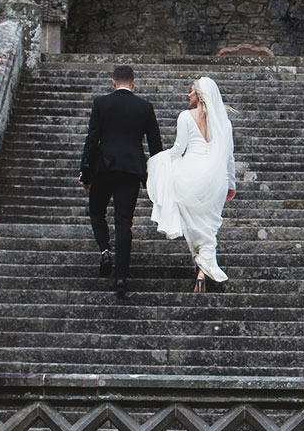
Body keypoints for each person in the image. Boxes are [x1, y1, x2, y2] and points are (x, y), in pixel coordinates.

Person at [147, 74, 237, 291]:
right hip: (216, 179)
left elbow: (178, 149)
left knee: (194, 224)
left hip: (191, 174)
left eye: (191, 90)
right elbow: (229, 156)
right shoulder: (224, 122)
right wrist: (231, 183)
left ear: (199, 94)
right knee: (208, 227)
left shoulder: (186, 116)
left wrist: (157, 161)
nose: (188, 94)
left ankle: (202, 268)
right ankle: (202, 270)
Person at [79, 63, 163, 298]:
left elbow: (92, 140)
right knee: (124, 222)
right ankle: (121, 278)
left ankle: (105, 250)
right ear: (134, 83)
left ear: (113, 82)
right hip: (131, 170)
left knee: (96, 211)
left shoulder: (101, 104)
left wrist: (85, 172)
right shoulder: (144, 107)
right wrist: (155, 177)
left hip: (104, 168)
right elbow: (156, 147)